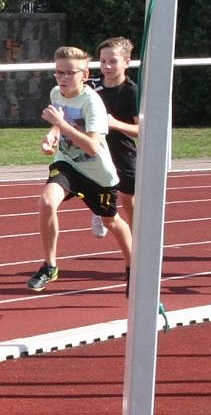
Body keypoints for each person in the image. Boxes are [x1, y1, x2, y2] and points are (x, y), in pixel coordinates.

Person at [27, 46, 132, 293]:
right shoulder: (56, 93)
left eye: (69, 73)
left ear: (84, 75)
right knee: (46, 202)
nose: (62, 78)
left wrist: (60, 124)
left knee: (111, 221)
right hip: (67, 164)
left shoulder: (92, 102)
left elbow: (93, 147)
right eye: (58, 72)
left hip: (97, 174)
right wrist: (52, 134)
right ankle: (50, 266)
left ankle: (133, 267)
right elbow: (60, 121)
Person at [89, 37, 140, 238]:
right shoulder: (91, 86)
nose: (107, 66)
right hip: (95, 149)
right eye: (103, 61)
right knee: (88, 183)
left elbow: (141, 130)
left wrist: (115, 123)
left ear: (126, 62)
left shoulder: (131, 91)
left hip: (122, 150)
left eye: (113, 61)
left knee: (128, 198)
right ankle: (99, 210)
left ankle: (137, 239)